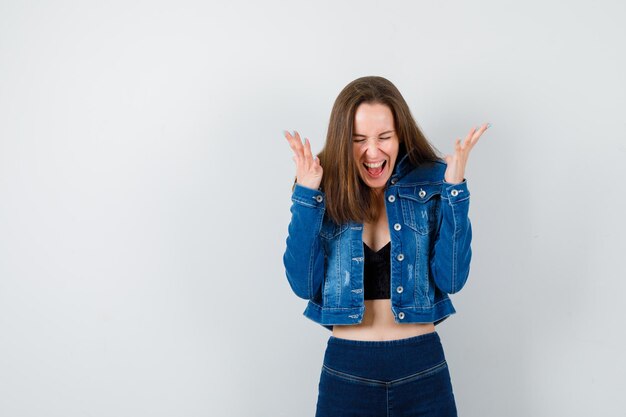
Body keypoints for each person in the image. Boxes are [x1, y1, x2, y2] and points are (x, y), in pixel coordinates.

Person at [282, 75, 489, 417]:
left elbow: (452, 280)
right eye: (359, 139)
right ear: (341, 140)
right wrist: (307, 196)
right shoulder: (322, 185)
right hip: (347, 372)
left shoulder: (433, 180)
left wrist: (455, 191)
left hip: (422, 368)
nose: (373, 151)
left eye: (384, 137)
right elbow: (303, 286)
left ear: (400, 134)